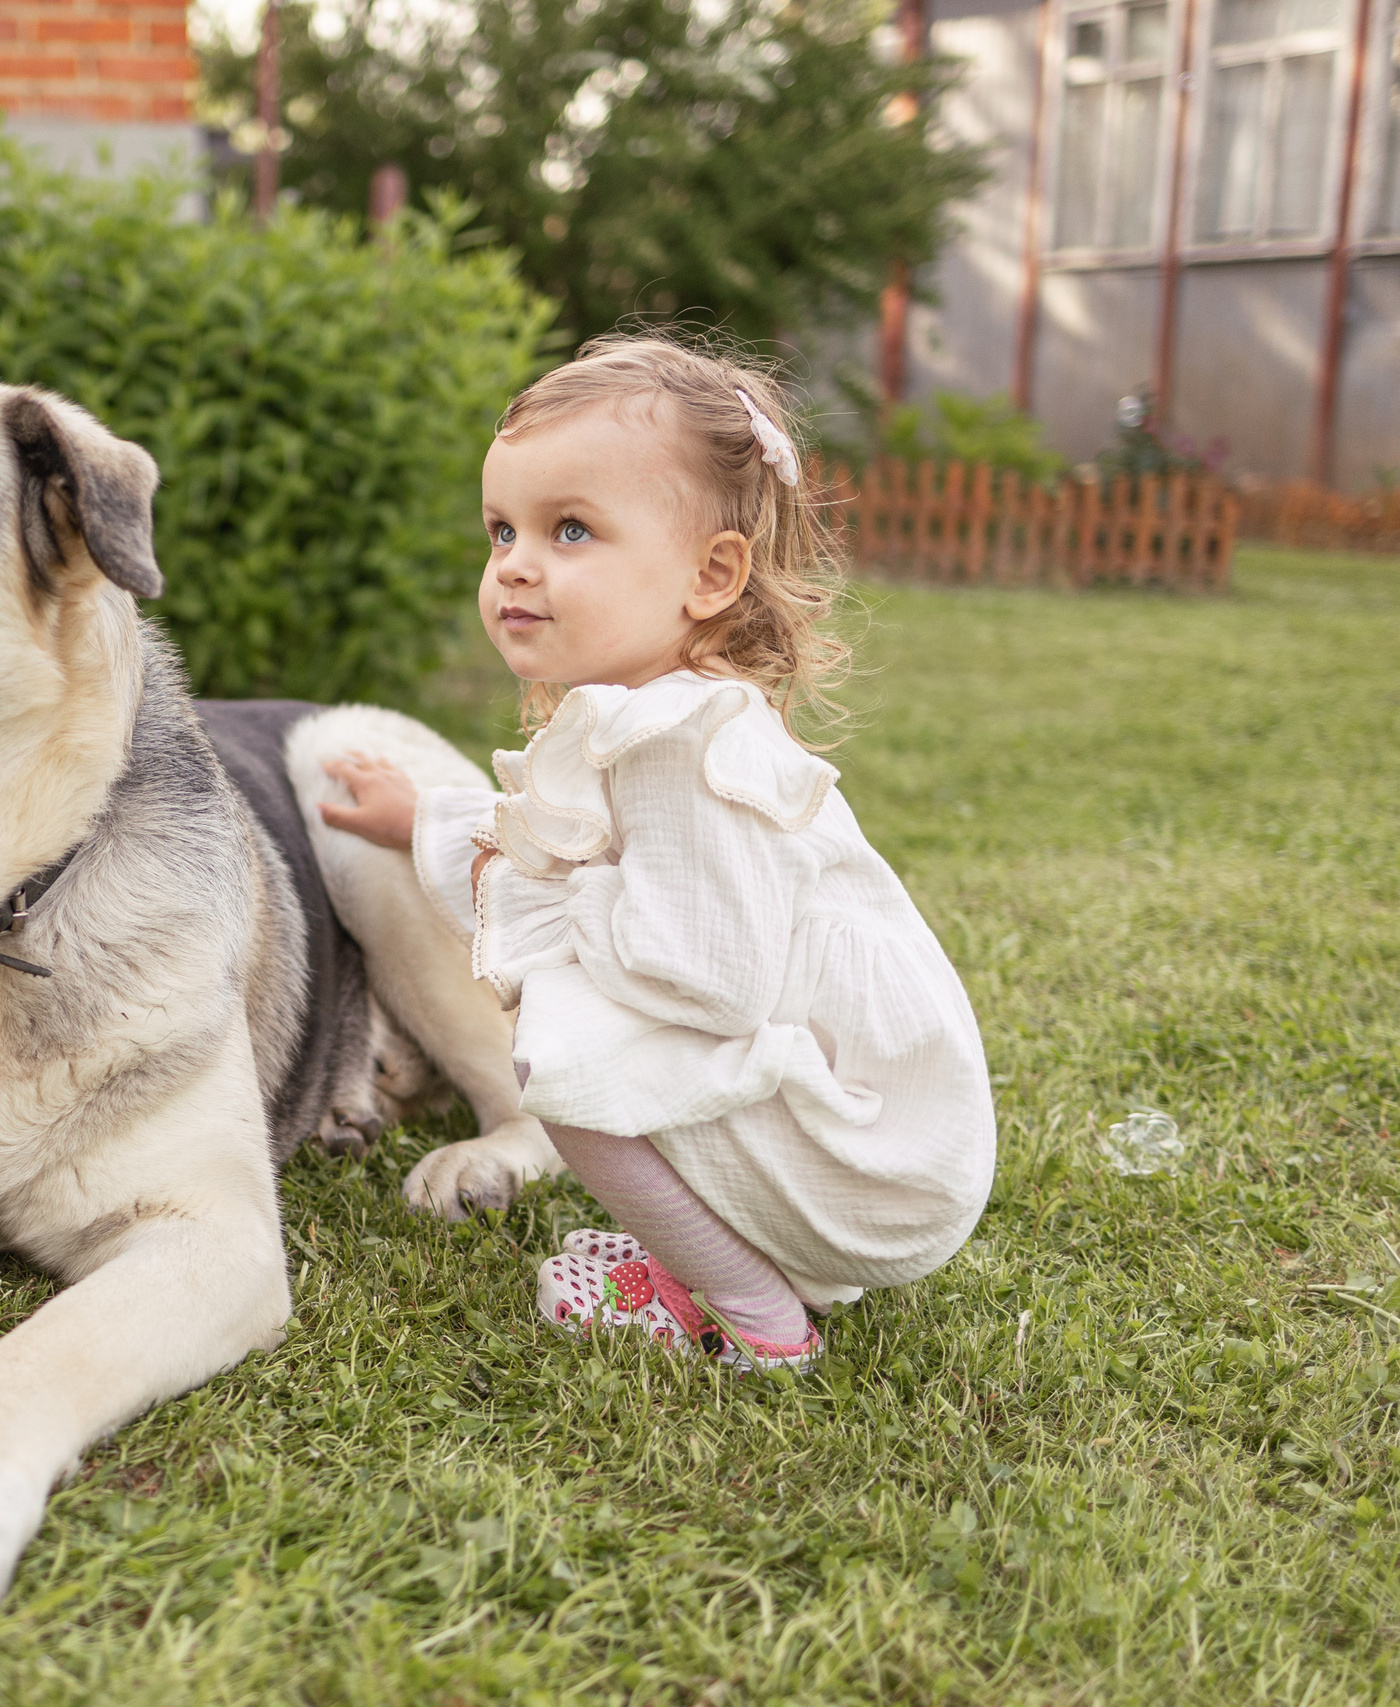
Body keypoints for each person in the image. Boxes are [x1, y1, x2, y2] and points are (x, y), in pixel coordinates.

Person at [317, 334, 995, 1374]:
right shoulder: (653, 722)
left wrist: (545, 906)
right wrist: (424, 820)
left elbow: (706, 981)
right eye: (502, 530)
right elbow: (568, 850)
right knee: (589, 1019)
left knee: (572, 1055)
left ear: (710, 576)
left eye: (572, 529)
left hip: (875, 1166)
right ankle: (727, 1247)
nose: (516, 564)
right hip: (866, 1137)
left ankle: (758, 1316)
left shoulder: (684, 755)